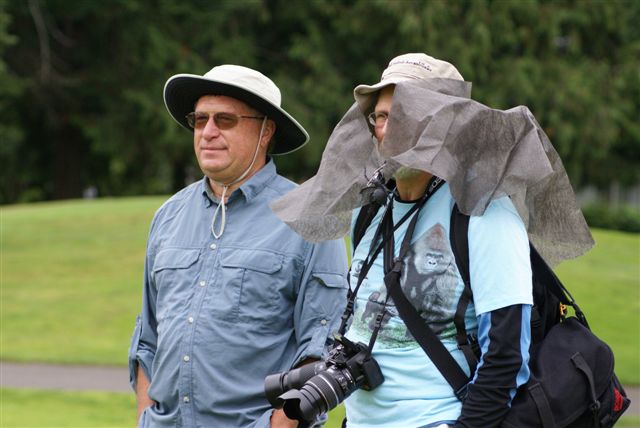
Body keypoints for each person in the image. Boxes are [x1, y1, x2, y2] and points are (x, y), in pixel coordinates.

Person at [128, 64, 349, 428]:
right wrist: (145, 418)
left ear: (266, 131)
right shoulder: (168, 217)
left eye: (225, 120)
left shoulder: (310, 219)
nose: (208, 132)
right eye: (200, 120)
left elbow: (321, 351)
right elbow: (147, 342)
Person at [341, 54, 534, 427]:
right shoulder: (367, 211)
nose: (390, 129)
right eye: (382, 117)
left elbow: (507, 360)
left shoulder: (483, 212)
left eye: (407, 115)